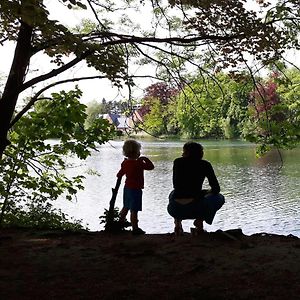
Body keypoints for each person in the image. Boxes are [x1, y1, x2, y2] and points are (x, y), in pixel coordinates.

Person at [167, 142, 225, 235]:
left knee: (173, 193)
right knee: (219, 198)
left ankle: (177, 224)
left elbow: (176, 185)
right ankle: (199, 222)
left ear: (186, 153)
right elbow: (216, 189)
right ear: (201, 153)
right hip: (196, 209)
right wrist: (206, 192)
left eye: (183, 152)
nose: (182, 154)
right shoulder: (205, 165)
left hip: (175, 209)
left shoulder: (177, 162)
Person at [117, 139, 154, 235]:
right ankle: (135, 228)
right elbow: (151, 167)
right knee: (134, 209)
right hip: (136, 189)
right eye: (139, 151)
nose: (140, 153)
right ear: (135, 152)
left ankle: (120, 223)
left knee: (126, 206)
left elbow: (119, 174)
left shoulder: (125, 163)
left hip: (127, 188)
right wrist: (145, 159)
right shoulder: (138, 163)